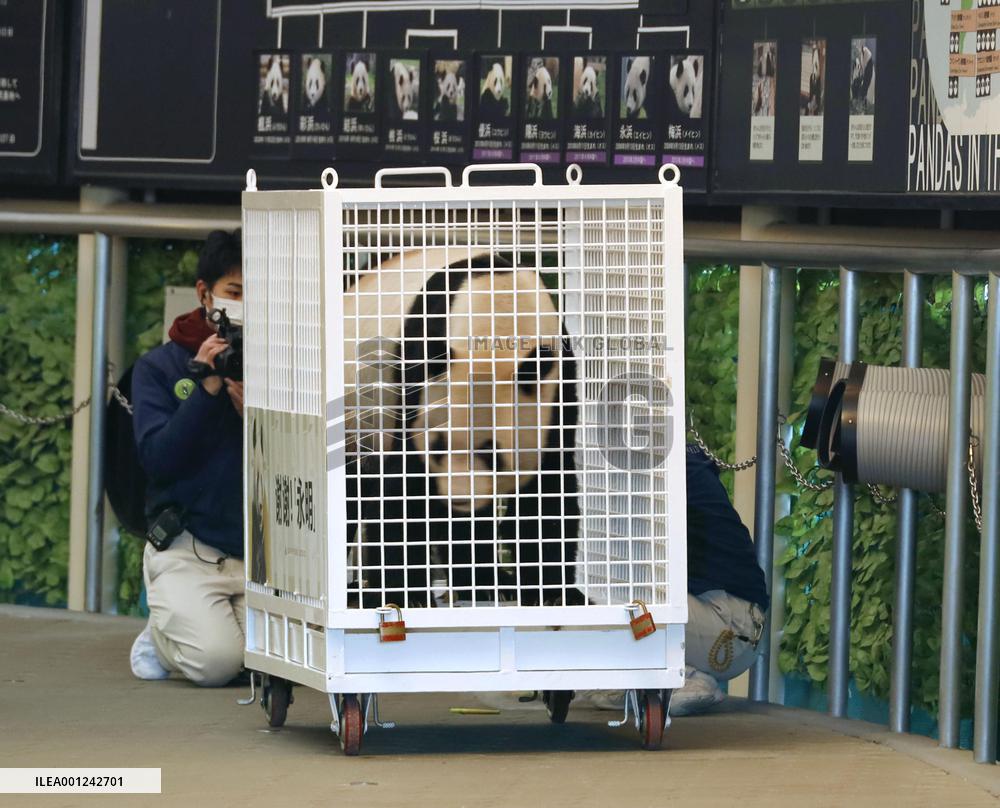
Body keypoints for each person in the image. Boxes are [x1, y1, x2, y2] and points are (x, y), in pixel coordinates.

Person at [128, 230, 246, 686]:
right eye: (235, 292)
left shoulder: (282, 362)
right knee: (217, 665)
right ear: (205, 292)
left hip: (258, 554)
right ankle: (160, 635)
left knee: (279, 663)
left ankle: (187, 626)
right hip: (186, 549)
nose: (244, 305)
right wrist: (207, 389)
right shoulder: (161, 367)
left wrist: (257, 417)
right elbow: (158, 459)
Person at [587, 443, 769, 716]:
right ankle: (645, 678)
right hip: (729, 623)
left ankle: (684, 677)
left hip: (728, 628)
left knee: (617, 592)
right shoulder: (674, 461)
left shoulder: (662, 471)